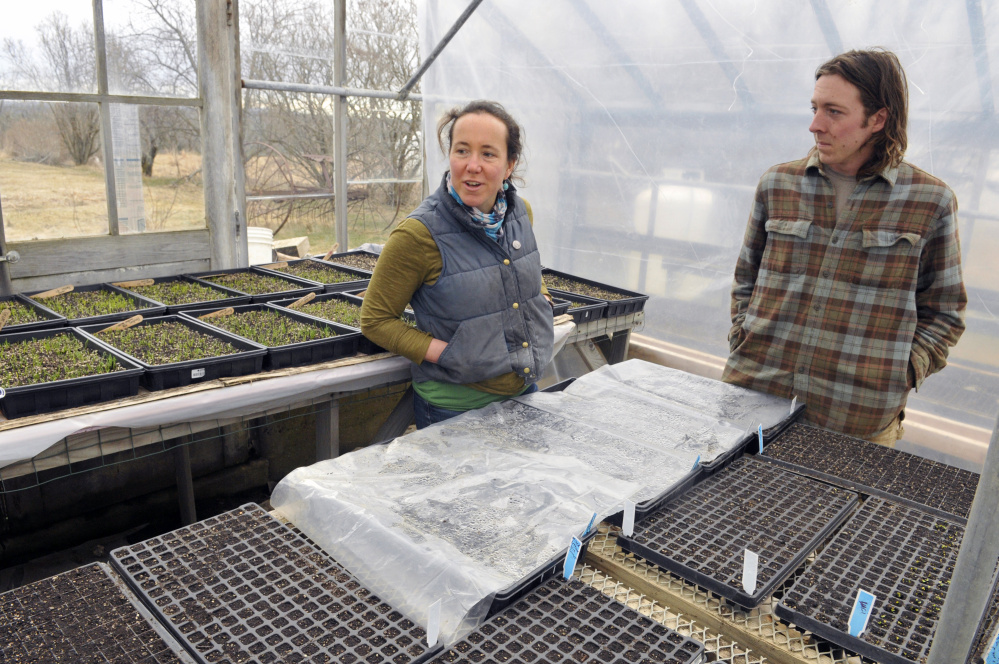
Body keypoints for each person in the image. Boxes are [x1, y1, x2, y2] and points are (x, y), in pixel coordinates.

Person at [722, 48, 967, 447]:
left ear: (878, 119)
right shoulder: (778, 185)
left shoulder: (929, 201)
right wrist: (742, 337)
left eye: (834, 112)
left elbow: (945, 311)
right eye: (815, 107)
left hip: (857, 421)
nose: (815, 125)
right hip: (751, 399)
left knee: (832, 512)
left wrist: (899, 372)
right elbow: (746, 279)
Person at [361, 100, 555, 429]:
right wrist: (447, 352)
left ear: (510, 165)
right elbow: (376, 320)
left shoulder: (521, 213)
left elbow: (524, 267)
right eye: (462, 150)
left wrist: (543, 302)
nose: (472, 165)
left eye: (488, 154)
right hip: (454, 409)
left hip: (523, 390)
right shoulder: (418, 235)